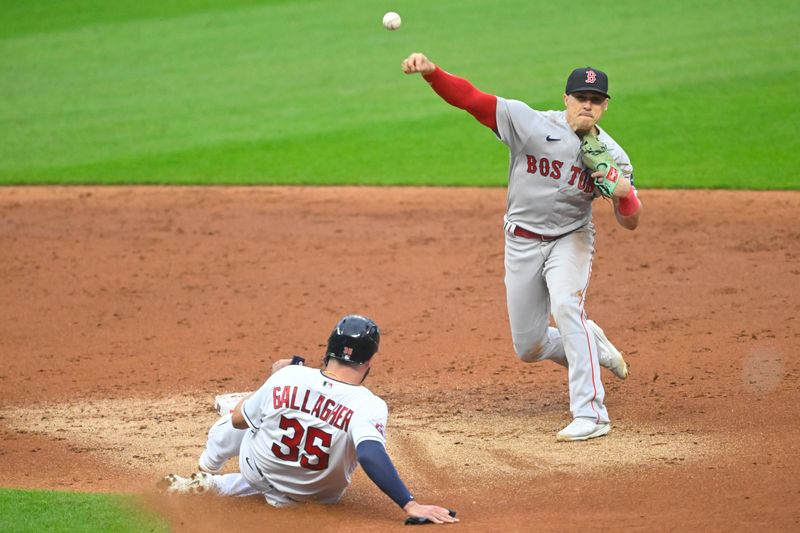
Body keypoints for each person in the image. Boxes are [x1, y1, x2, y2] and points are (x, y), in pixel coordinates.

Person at [401, 53, 642, 441]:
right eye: (580, 96)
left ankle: (592, 413)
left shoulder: (613, 155)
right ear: (566, 99)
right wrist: (432, 73)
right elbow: (472, 100)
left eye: (595, 99)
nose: (587, 105)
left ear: (605, 105)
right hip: (522, 241)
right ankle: (589, 343)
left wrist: (619, 190)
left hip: (571, 239)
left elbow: (630, 220)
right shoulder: (530, 124)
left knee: (567, 306)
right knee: (528, 346)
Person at [159, 314, 458, 525]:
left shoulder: (289, 376)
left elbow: (239, 421)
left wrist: (273, 381)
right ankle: (219, 485)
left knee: (242, 414)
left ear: (329, 351)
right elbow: (369, 452)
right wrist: (409, 503)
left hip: (260, 473)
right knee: (290, 430)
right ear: (369, 361)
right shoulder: (370, 405)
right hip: (320, 495)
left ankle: (205, 470)